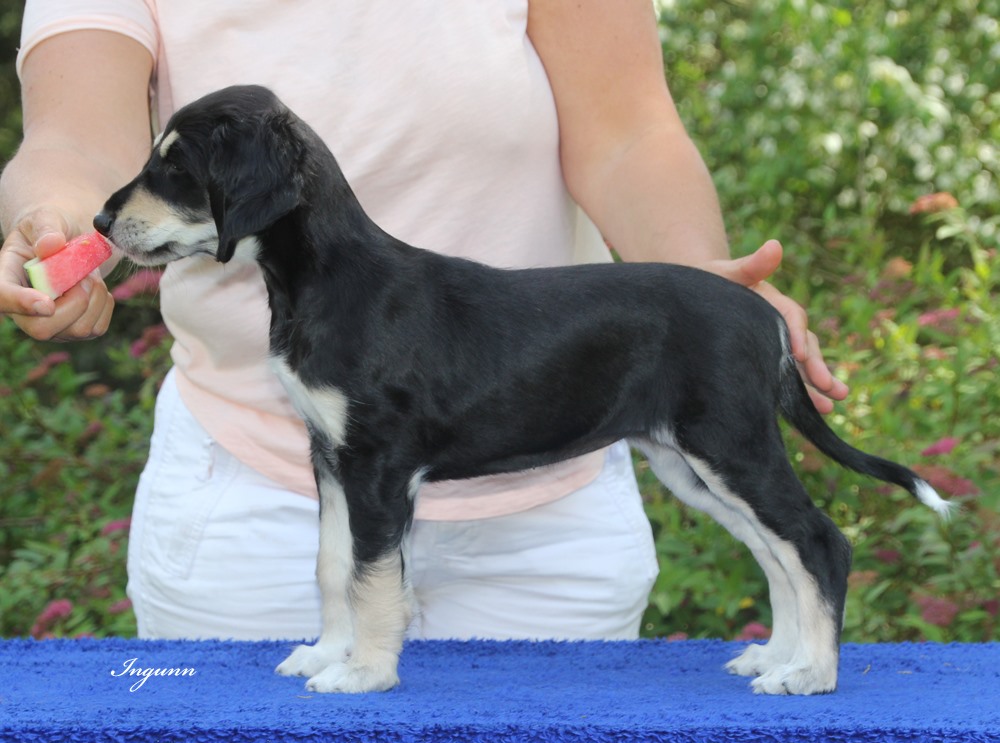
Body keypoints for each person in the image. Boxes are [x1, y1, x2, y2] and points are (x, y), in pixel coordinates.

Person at [0, 1, 847, 642]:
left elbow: (626, 128)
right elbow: (76, 138)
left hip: (549, 506)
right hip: (254, 503)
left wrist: (701, 293)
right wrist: (55, 220)